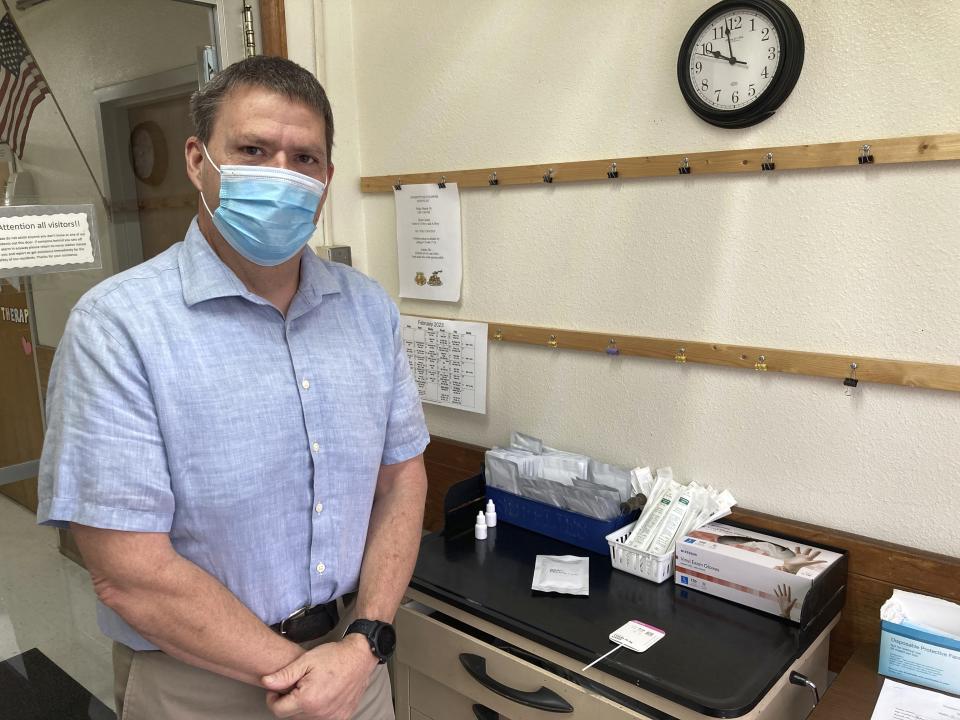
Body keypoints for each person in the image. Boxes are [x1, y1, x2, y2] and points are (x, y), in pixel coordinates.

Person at [36, 55, 429, 720]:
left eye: (304, 158)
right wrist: (304, 675)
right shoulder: (117, 329)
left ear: (327, 179)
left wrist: (363, 644)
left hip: (353, 663)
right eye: (252, 149)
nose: (281, 174)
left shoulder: (368, 312)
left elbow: (402, 479)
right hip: (198, 686)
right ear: (198, 160)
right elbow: (131, 574)